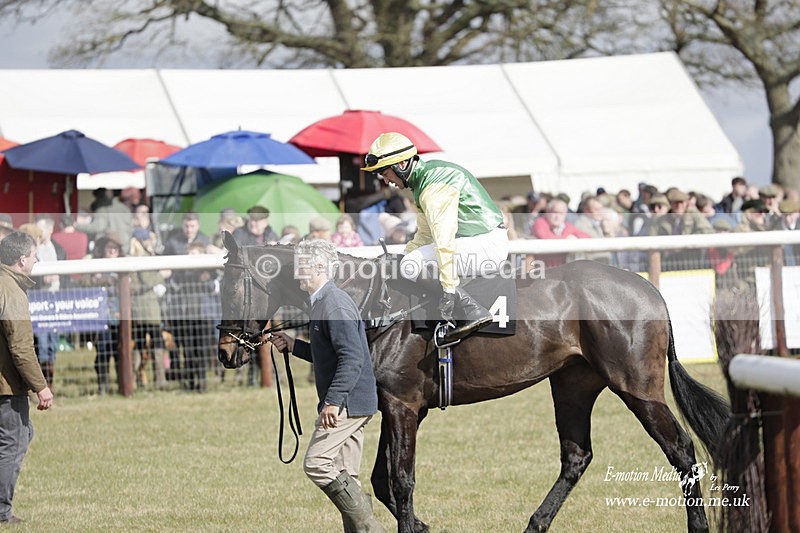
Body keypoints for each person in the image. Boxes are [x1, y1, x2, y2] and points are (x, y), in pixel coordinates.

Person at [268, 239, 383, 532]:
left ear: (320, 266)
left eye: (302, 266)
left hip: (346, 402)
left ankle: (373, 529)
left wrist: (333, 401)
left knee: (317, 463)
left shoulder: (333, 303)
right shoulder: (324, 301)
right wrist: (295, 346)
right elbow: (330, 354)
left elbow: (353, 358)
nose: (297, 274)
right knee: (348, 476)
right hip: (353, 399)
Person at [362, 132, 508, 343]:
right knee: (407, 262)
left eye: (385, 173)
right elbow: (425, 234)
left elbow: (443, 239)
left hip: (484, 244)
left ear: (402, 164)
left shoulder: (433, 187)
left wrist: (448, 288)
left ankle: (471, 310)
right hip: (479, 240)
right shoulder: (425, 179)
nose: (386, 181)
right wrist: (402, 255)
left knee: (411, 266)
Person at [0, 231, 54, 524]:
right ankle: (1, 513)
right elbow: (21, 347)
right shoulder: (11, 291)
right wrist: (40, 387)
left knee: (23, 434)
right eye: (34, 255)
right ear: (22, 260)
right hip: (6, 387)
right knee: (13, 442)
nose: (36, 259)